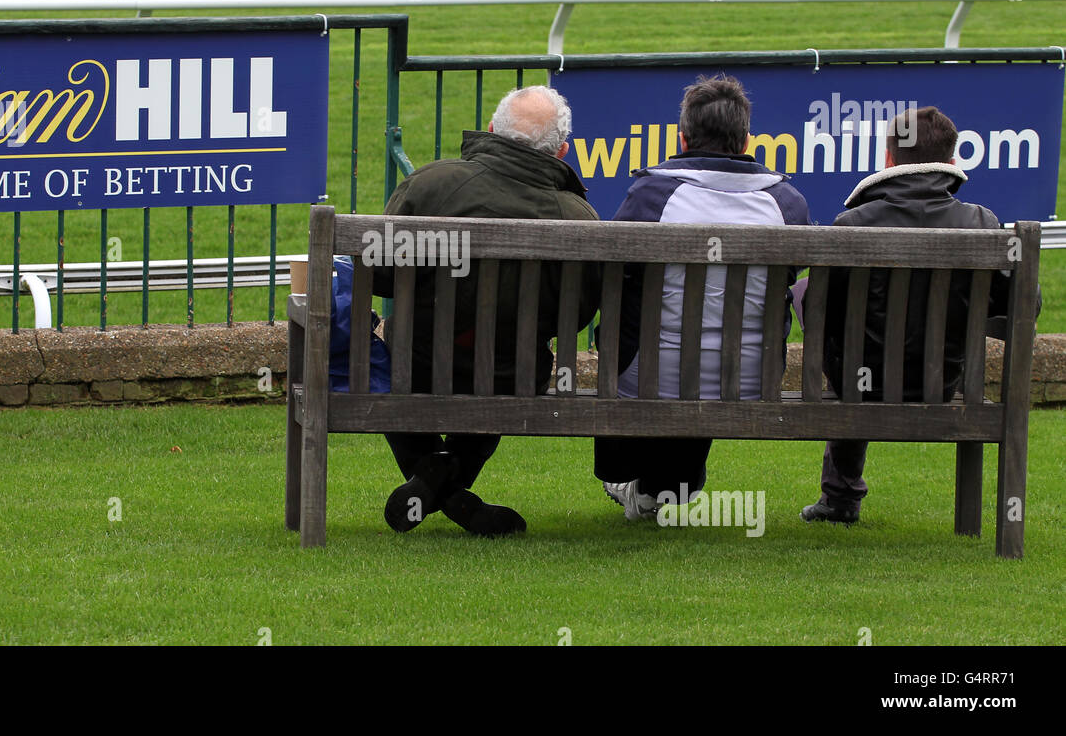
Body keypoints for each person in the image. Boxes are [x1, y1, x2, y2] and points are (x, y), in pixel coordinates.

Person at [373, 85, 601, 537]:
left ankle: (436, 481)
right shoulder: (577, 215)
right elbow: (573, 318)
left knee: (383, 357)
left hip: (414, 363)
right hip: (511, 373)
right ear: (562, 150)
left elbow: (378, 275)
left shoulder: (430, 185)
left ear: (493, 130)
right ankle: (452, 491)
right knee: (507, 358)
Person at [596, 75, 812, 519]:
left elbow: (614, 273)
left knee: (643, 335)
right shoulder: (787, 204)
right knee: (703, 350)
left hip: (652, 376)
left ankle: (647, 485)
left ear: (683, 138)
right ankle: (666, 490)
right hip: (752, 378)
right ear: (747, 139)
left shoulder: (652, 195)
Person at [802, 105, 1031, 524]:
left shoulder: (853, 225)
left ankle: (839, 498)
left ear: (889, 160)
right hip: (940, 381)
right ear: (951, 162)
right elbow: (1023, 308)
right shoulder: (982, 224)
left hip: (859, 381)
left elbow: (821, 313)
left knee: (849, 348)